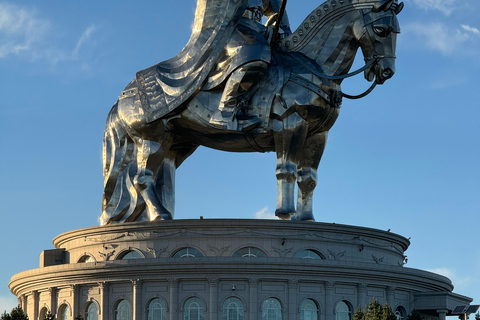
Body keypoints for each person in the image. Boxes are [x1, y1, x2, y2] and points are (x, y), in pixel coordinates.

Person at [208, 0, 292, 130]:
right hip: (231, 25)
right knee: (255, 50)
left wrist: (281, 27)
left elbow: (276, 9)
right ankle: (226, 110)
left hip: (257, 28)